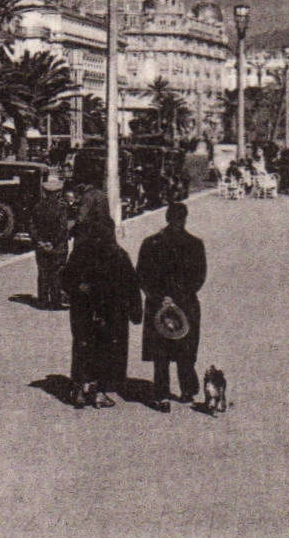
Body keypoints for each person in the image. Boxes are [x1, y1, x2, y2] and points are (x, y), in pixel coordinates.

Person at [61, 211, 143, 409]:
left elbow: (65, 279)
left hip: (83, 310)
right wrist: (135, 310)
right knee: (106, 350)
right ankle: (99, 392)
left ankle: (79, 387)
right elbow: (132, 284)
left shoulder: (80, 252)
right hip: (111, 312)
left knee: (82, 346)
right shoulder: (118, 254)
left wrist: (78, 288)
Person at [135, 202, 208, 411]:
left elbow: (141, 275)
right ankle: (187, 390)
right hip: (185, 304)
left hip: (157, 304)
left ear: (166, 218)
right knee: (185, 347)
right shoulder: (195, 244)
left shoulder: (150, 243)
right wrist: (178, 298)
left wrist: (160, 298)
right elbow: (199, 277)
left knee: (161, 352)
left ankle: (161, 395)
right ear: (185, 218)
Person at [31, 173, 70, 309]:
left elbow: (32, 226)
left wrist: (40, 241)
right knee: (57, 273)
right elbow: (62, 228)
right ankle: (55, 301)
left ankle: (42, 301)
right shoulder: (62, 207)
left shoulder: (37, 207)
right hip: (58, 247)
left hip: (41, 246)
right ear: (58, 192)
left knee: (42, 273)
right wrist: (52, 242)